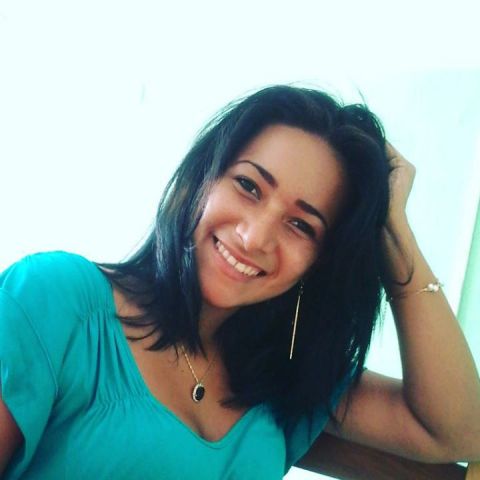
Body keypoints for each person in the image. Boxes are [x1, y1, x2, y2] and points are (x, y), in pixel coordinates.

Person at [0, 85, 479, 479]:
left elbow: (460, 432)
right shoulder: (54, 299)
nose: (255, 237)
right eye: (249, 186)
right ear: (202, 180)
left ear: (320, 261)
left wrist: (392, 229)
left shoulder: (289, 381)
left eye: (301, 225)